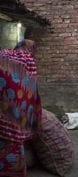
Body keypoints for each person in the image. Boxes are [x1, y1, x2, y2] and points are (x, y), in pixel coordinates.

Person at [0, 39, 42, 177]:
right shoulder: (30, 62)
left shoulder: (6, 55)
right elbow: (32, 92)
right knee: (14, 145)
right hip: (17, 115)